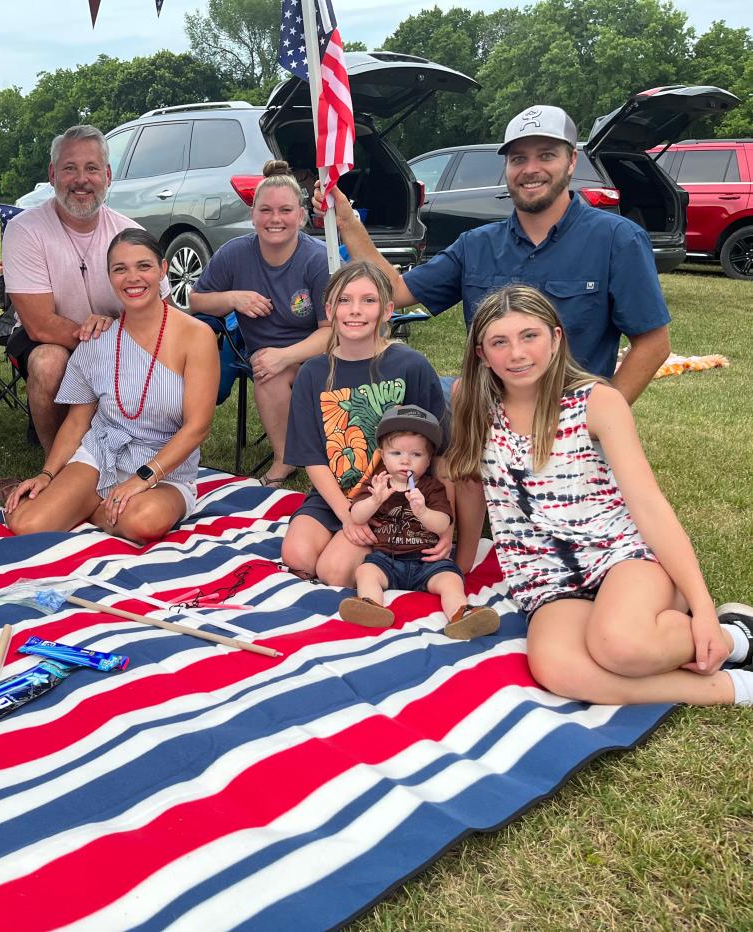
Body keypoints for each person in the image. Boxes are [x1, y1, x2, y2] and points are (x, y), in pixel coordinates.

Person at [447, 283, 753, 706]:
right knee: (560, 669)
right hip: (545, 576)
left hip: (621, 555)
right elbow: (469, 483)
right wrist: (462, 564)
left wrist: (702, 607)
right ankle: (732, 689)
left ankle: (733, 636)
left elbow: (648, 505)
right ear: (482, 353)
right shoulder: (470, 400)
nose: (516, 354)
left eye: (529, 336)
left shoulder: (597, 402)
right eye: (500, 342)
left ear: (556, 338)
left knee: (621, 646)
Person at [316, 105, 671, 404]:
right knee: (397, 395)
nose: (530, 169)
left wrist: (601, 418)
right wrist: (348, 221)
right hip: (487, 407)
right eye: (518, 158)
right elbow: (395, 292)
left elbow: (653, 344)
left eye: (546, 155)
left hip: (568, 411)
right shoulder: (476, 245)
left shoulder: (617, 240)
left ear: (572, 161)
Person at [4, 229, 219, 545]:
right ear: (110, 277)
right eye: (121, 269)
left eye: (143, 266)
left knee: (142, 522)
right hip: (102, 454)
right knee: (26, 523)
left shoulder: (196, 336)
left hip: (165, 469)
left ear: (163, 269)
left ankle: (88, 508)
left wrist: (141, 480)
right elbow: (77, 422)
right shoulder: (99, 338)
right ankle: (92, 504)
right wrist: (47, 474)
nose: (133, 278)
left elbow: (197, 427)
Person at [2, 125, 168, 454]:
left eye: (92, 168)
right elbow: (38, 324)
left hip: (120, 339)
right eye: (70, 168)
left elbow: (165, 313)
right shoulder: (25, 230)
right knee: (50, 363)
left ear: (107, 175)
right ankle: (57, 465)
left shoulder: (130, 232)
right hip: (46, 340)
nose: (82, 179)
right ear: (52, 174)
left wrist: (116, 335)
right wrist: (101, 338)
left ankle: (136, 446)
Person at [280, 262, 446, 587]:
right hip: (335, 495)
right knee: (297, 557)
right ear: (330, 309)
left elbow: (439, 451)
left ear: (387, 310)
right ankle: (355, 543)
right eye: (345, 300)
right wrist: (346, 515)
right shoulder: (313, 373)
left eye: (368, 301)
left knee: (334, 572)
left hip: (392, 499)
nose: (355, 311)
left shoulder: (411, 366)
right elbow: (312, 456)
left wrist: (444, 522)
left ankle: (383, 552)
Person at [189, 160, 331, 487]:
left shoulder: (316, 259)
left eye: (285, 210)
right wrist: (233, 299)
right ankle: (285, 459)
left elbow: (331, 332)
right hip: (258, 351)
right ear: (253, 215)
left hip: (314, 352)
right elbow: (197, 301)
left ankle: (301, 457)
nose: (275, 219)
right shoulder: (234, 254)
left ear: (301, 214)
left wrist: (284, 356)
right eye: (265, 210)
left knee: (270, 367)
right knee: (266, 367)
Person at [339, 405, 500, 640]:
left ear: (427, 461)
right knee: (365, 571)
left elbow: (443, 523)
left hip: (427, 561)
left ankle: (461, 613)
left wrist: (423, 511)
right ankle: (370, 604)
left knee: (451, 580)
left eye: (416, 455)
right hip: (387, 559)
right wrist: (374, 501)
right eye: (396, 454)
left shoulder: (431, 488)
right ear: (383, 456)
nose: (405, 461)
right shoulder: (378, 484)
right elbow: (357, 516)